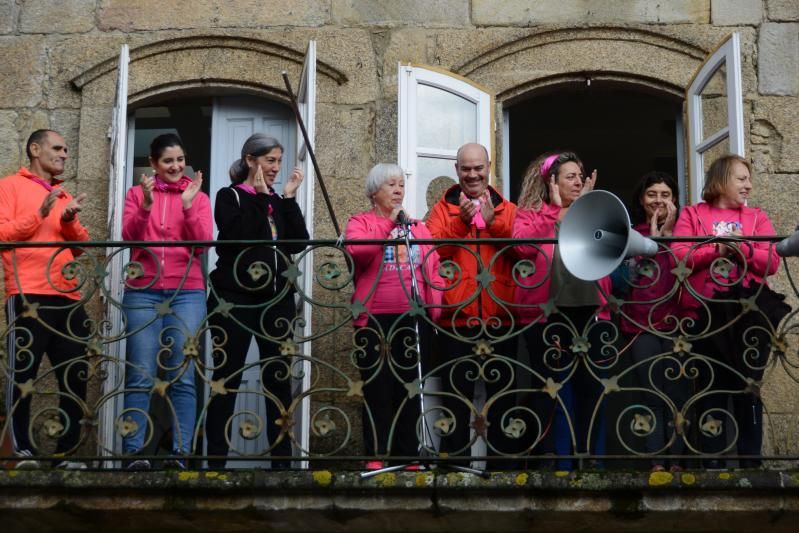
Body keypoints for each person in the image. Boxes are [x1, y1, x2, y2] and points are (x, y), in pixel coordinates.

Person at [205, 133, 309, 469]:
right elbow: (240, 237)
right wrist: (261, 198)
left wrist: (288, 198)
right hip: (233, 300)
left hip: (275, 300)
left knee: (278, 378)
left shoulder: (277, 199)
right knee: (227, 377)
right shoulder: (230, 196)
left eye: (279, 161)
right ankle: (216, 463)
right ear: (251, 160)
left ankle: (282, 464)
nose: (276, 168)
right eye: (270, 161)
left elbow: (297, 243)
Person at [671, 154, 781, 468]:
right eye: (741, 178)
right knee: (710, 391)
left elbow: (771, 261)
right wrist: (716, 249)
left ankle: (751, 463)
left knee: (749, 389)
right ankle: (712, 464)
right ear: (721, 181)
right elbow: (679, 256)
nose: (748, 185)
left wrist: (740, 247)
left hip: (749, 313)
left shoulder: (757, 217)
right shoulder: (693, 214)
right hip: (706, 312)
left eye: (749, 179)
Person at [512, 151, 610, 469]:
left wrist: (591, 207)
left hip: (593, 311)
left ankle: (592, 461)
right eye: (570, 176)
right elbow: (521, 246)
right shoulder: (531, 214)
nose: (578, 181)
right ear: (551, 182)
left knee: (593, 388)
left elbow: (611, 249)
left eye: (580, 175)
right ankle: (561, 462)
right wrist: (553, 212)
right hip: (548, 315)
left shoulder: (593, 211)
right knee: (557, 390)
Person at [121, 133, 212, 470]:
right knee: (141, 374)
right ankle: (134, 453)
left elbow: (201, 245)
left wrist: (188, 204)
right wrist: (145, 205)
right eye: (168, 161)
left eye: (180, 160)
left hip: (186, 292)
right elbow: (130, 238)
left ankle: (180, 454)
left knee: (183, 375)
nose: (176, 166)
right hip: (142, 291)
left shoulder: (197, 197)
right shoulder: (136, 193)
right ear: (154, 164)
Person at [426, 143, 520, 468]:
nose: (473, 174)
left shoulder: (507, 209)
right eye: (466, 168)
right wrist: (460, 225)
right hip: (457, 319)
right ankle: (454, 469)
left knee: (503, 399)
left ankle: (503, 472)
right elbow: (430, 252)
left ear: (489, 167)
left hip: (501, 318)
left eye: (478, 167)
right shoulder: (442, 210)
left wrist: (493, 223)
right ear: (457, 170)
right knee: (455, 400)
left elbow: (525, 252)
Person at [0, 129, 90, 470]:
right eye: (57, 148)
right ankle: (22, 451)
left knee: (75, 373)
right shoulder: (9, 186)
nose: (64, 154)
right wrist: (39, 213)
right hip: (26, 293)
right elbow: (2, 234)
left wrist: (68, 220)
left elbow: (80, 245)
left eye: (66, 149)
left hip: (67, 295)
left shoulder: (62, 193)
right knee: (22, 374)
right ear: (35, 150)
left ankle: (65, 454)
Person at [345, 163, 443, 470]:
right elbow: (357, 252)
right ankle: (376, 454)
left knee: (409, 386)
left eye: (401, 184)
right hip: (374, 318)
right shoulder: (360, 222)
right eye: (390, 184)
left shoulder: (417, 227)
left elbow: (434, 269)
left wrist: (434, 310)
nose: (398, 189)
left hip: (412, 318)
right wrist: (388, 225)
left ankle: (407, 454)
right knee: (377, 387)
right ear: (374, 191)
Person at [619, 171, 688, 472]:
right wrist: (652, 244)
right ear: (641, 199)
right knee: (651, 393)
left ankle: (679, 462)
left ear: (674, 200)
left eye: (665, 195)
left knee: (678, 395)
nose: (658, 200)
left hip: (678, 324)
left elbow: (689, 271)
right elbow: (623, 281)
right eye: (652, 194)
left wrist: (670, 238)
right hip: (640, 324)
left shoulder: (686, 233)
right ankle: (656, 462)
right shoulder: (631, 233)